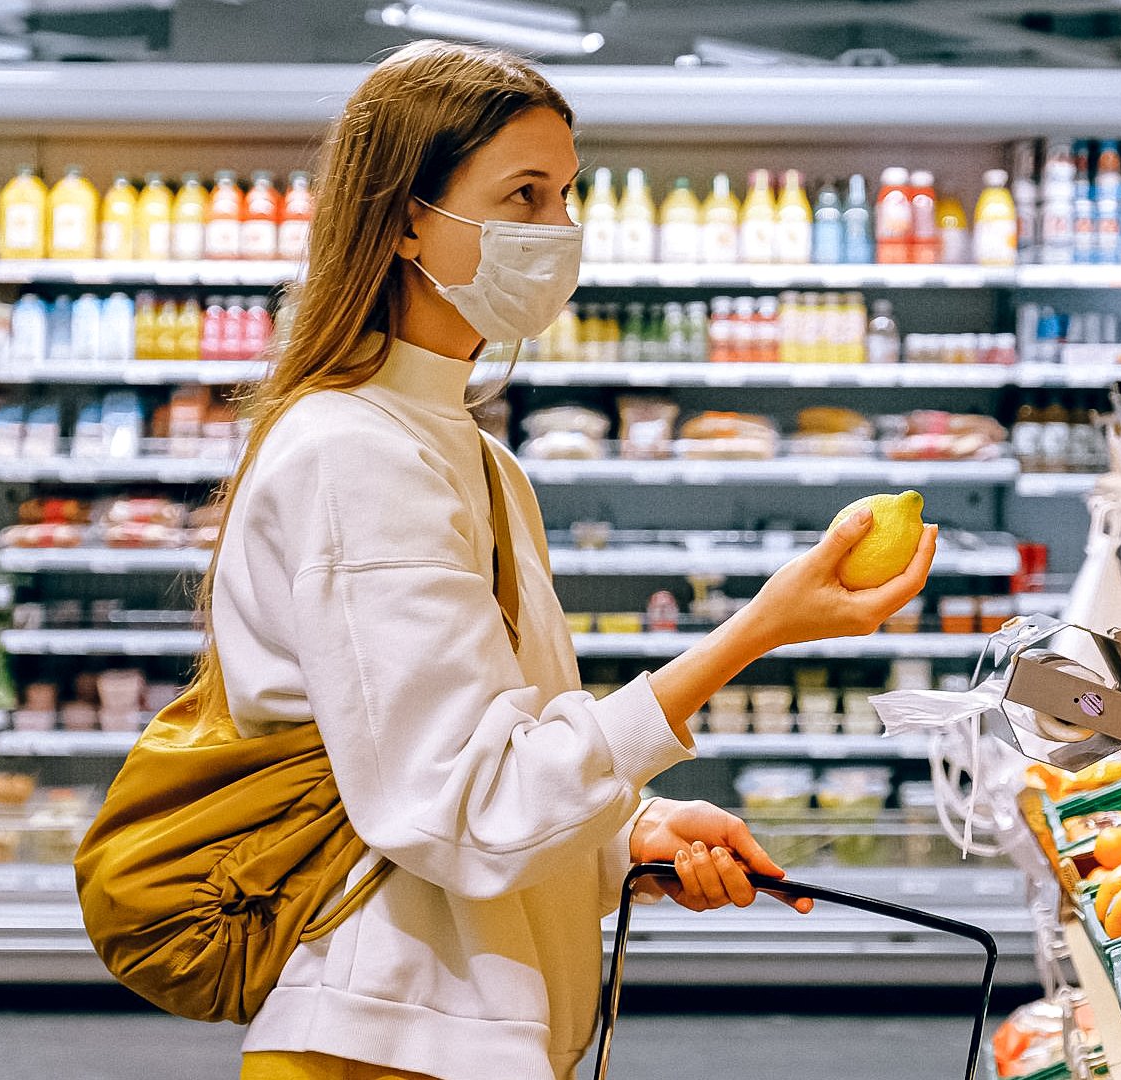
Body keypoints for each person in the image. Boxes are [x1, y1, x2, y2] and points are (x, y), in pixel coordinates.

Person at [199, 40, 938, 1080]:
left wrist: (623, 832)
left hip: (478, 1031)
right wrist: (758, 631)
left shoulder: (476, 457)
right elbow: (461, 808)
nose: (561, 231)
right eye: (526, 195)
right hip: (382, 1040)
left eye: (568, 195)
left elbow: (494, 754)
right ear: (407, 217)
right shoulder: (351, 453)